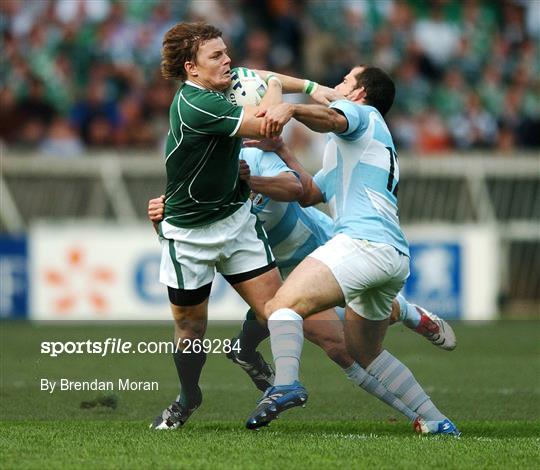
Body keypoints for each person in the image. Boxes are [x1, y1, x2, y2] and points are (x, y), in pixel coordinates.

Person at [148, 135, 456, 430]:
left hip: (322, 245)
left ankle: (407, 312)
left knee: (369, 319)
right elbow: (185, 240)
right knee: (338, 346)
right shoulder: (191, 184)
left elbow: (296, 187)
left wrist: (249, 182)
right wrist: (162, 221)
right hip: (277, 270)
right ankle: (419, 416)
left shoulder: (253, 156)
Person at [245, 65, 460, 436]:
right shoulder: (352, 147)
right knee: (365, 353)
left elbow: (330, 118)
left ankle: (286, 384)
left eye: (345, 80)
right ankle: (437, 420)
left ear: (359, 93)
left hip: (362, 243)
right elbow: (311, 193)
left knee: (280, 307)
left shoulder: (363, 114)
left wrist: (292, 108)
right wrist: (282, 148)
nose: (336, 85)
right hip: (391, 256)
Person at [151, 22, 338, 430]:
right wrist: (279, 90)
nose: (227, 60)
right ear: (192, 68)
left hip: (236, 223)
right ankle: (188, 396)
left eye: (226, 52)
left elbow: (264, 80)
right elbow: (269, 121)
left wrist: (307, 87)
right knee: (190, 329)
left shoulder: (223, 87)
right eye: (215, 56)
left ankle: (275, 377)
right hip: (190, 234)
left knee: (279, 308)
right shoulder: (196, 103)